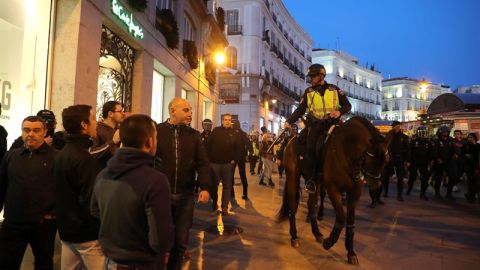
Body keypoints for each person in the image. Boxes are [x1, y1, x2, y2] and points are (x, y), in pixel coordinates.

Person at [91, 114, 174, 270]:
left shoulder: (103, 174)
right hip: (142, 262)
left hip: (110, 261)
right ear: (150, 141)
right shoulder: (155, 181)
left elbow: (95, 211)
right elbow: (160, 239)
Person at [154, 97, 211, 270]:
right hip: (160, 196)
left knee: (180, 241)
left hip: (186, 196)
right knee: (158, 241)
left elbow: (202, 163)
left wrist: (205, 187)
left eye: (190, 110)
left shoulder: (194, 135)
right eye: (186, 110)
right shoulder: (156, 131)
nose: (190, 114)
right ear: (172, 111)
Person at [0, 116, 57, 269]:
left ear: (44, 132)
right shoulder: (11, 156)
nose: (31, 134)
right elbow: (2, 185)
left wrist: (54, 213)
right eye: (27, 130)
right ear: (22, 132)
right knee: (6, 263)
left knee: (43, 263)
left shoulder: (56, 157)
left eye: (36, 130)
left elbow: (63, 190)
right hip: (13, 222)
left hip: (43, 224)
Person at [284, 63, 351, 193]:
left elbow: (347, 105)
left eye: (313, 76)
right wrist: (289, 120)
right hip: (315, 125)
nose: (311, 79)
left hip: (332, 123)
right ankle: (311, 179)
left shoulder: (334, 89)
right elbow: (300, 109)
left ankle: (349, 175)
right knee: (310, 148)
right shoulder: (308, 92)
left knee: (346, 145)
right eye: (310, 76)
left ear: (321, 76)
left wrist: (339, 112)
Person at [54, 104, 105, 269]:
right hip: (86, 235)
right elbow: (91, 199)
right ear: (84, 125)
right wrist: (97, 227)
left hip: (67, 231)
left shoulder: (63, 153)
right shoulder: (83, 158)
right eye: (93, 118)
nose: (96, 122)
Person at [207, 113, 239, 216]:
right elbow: (208, 144)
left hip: (227, 165)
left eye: (229, 120)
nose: (227, 121)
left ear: (231, 121)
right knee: (213, 186)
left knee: (227, 186)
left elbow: (238, 148)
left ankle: (224, 207)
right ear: (222, 121)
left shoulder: (234, 133)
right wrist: (209, 160)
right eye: (225, 119)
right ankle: (214, 204)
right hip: (215, 164)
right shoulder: (216, 131)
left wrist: (234, 159)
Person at [382, 121, 410, 201]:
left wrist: (407, 160)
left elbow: (408, 149)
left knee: (400, 177)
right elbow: (385, 146)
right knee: (386, 176)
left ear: (399, 126)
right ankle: (385, 192)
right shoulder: (388, 136)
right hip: (390, 158)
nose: (395, 127)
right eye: (394, 126)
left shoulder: (404, 137)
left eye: (396, 126)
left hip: (399, 158)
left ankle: (399, 195)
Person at [407, 125, 433, 200]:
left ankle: (423, 193)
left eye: (424, 133)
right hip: (414, 162)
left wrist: (431, 160)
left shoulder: (429, 143)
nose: (423, 134)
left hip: (424, 163)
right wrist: (408, 161)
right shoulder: (413, 142)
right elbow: (410, 152)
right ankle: (409, 188)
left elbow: (431, 153)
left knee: (424, 179)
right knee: (412, 176)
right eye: (421, 133)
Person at [230, 119, 252, 200]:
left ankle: (243, 193)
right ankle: (236, 192)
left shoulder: (240, 134)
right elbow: (249, 144)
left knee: (240, 175)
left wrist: (250, 152)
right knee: (237, 175)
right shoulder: (233, 133)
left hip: (238, 158)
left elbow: (248, 144)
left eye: (233, 124)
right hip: (235, 158)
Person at [431, 125, 454, 200]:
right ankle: (437, 193)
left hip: (449, 162)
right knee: (438, 178)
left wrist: (455, 155)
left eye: (446, 131)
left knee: (452, 177)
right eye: (444, 131)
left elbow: (454, 149)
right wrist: (437, 158)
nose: (445, 133)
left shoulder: (450, 140)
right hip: (439, 162)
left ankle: (449, 193)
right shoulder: (436, 140)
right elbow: (434, 152)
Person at [464, 132, 479, 203]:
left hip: (477, 167)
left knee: (477, 182)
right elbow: (462, 154)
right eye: (469, 137)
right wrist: (466, 156)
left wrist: (477, 168)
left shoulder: (478, 146)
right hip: (469, 166)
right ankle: (471, 196)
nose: (469, 139)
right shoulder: (466, 146)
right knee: (470, 181)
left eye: (471, 137)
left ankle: (471, 194)